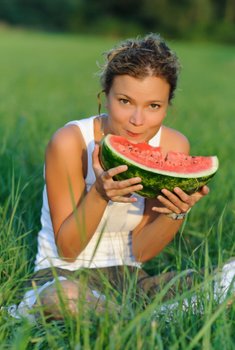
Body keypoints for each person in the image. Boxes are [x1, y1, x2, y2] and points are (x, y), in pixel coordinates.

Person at [13, 33, 234, 321]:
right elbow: (68, 250)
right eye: (125, 101)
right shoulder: (71, 142)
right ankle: (158, 320)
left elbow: (141, 252)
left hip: (132, 281)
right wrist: (101, 195)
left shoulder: (173, 147)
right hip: (62, 276)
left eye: (154, 106)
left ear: (168, 105)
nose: (138, 120)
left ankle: (133, 319)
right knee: (62, 297)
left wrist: (175, 213)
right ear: (105, 96)